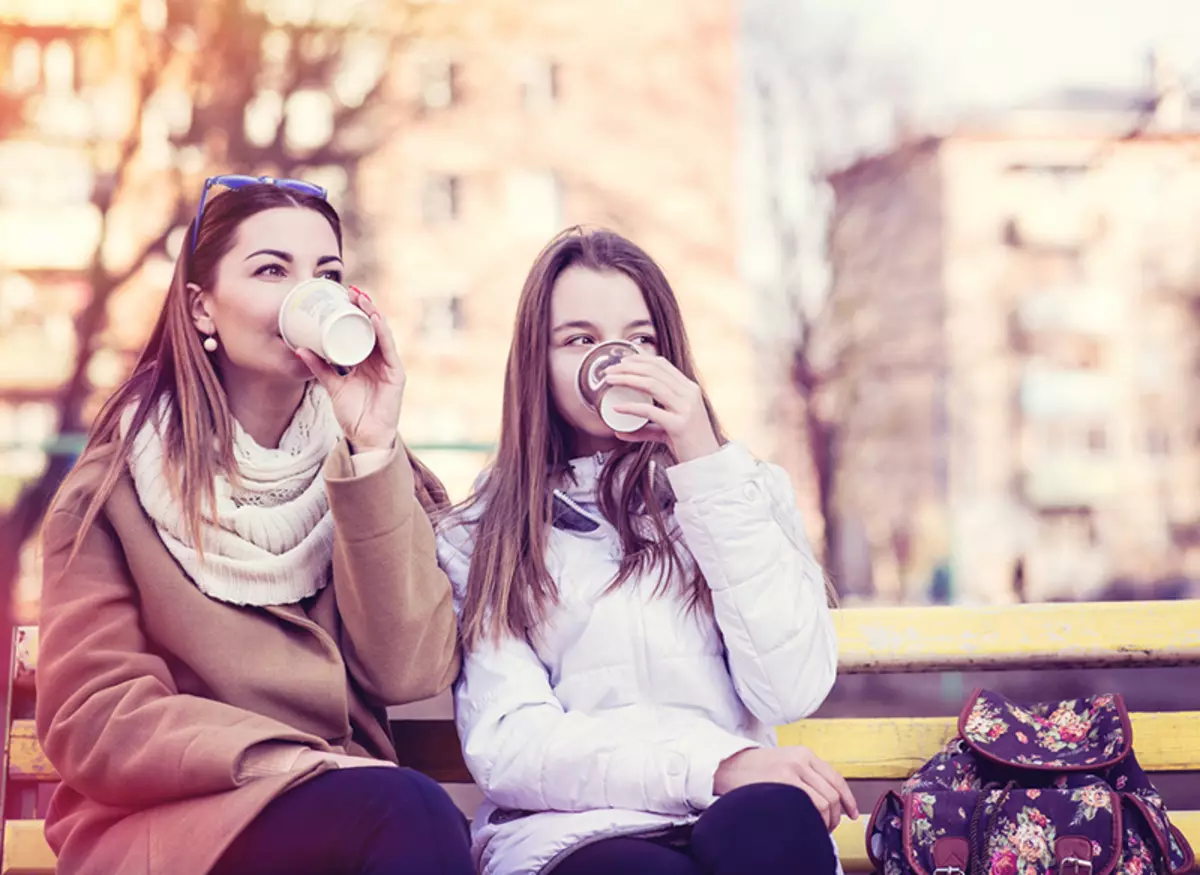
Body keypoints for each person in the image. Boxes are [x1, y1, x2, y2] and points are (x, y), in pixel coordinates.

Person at [36, 175, 474, 875]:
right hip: (177, 826)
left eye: (327, 273)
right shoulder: (109, 495)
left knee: (411, 812)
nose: (307, 293)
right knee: (407, 811)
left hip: (356, 809)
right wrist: (285, 760)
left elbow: (411, 671)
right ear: (202, 309)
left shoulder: (381, 474)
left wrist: (370, 448)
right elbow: (96, 717)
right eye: (272, 269)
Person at [438, 227, 856, 875]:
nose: (617, 360)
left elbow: (790, 688)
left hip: (734, 809)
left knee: (775, 829)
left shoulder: (738, 491)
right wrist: (718, 765)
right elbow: (511, 745)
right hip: (574, 832)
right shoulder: (482, 533)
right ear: (536, 364)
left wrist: (704, 466)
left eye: (641, 340)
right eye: (580, 339)